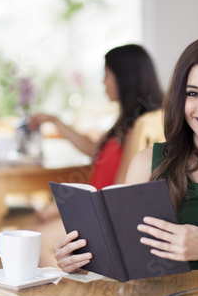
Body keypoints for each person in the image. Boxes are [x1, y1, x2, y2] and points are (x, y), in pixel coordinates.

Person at [54, 34, 198, 273]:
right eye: (193, 93)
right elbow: (123, 258)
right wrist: (80, 262)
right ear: (180, 98)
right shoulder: (146, 162)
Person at [26, 44, 163, 267]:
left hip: (104, 213)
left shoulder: (140, 127)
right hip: (93, 207)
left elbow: (121, 188)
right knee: (30, 230)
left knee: (37, 241)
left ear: (124, 78)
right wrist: (55, 120)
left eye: (107, 75)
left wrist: (65, 206)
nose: (103, 82)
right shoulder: (125, 121)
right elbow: (93, 148)